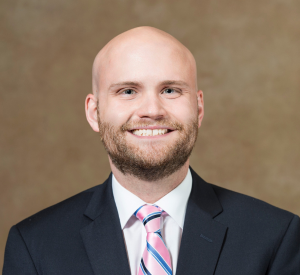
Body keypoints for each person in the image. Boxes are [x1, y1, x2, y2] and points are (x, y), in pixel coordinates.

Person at [3, 26, 300, 275]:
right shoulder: (34, 246)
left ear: (198, 108)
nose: (151, 111)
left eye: (170, 90)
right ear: (94, 112)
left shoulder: (276, 238)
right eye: (128, 91)